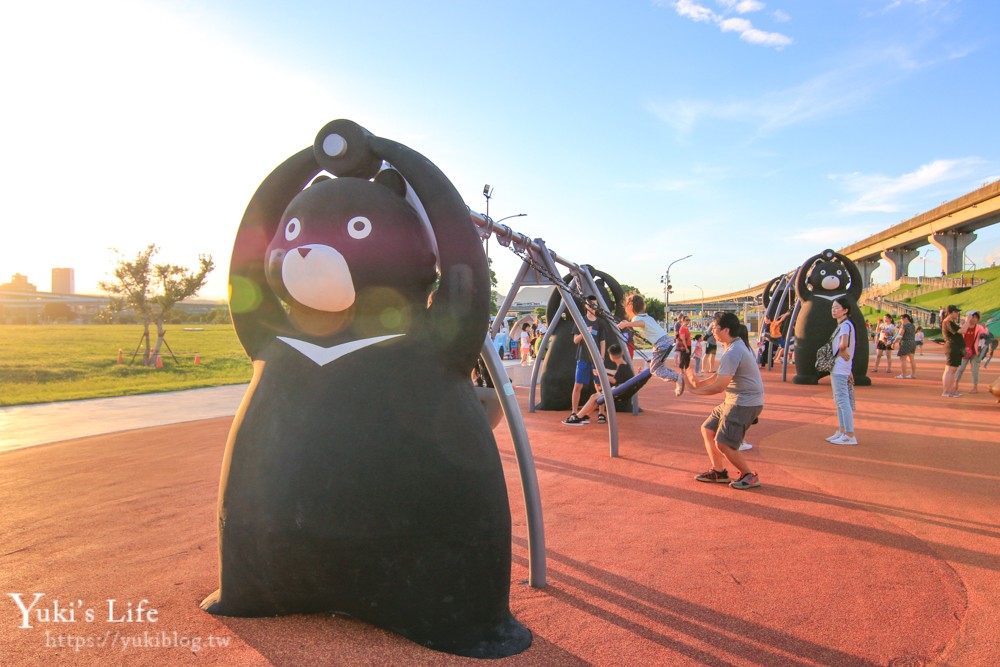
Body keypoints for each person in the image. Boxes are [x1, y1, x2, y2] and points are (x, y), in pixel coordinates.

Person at [685, 312, 765, 490]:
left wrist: (694, 391)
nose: (712, 331)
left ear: (726, 330)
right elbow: (719, 375)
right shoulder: (732, 347)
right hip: (735, 399)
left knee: (723, 443)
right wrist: (699, 383)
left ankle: (749, 475)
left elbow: (719, 386)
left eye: (715, 328)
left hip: (744, 402)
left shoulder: (734, 351)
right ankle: (719, 471)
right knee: (708, 429)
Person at [617, 292, 684, 395]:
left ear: (629, 308)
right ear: (644, 306)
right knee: (659, 367)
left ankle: (677, 378)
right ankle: (677, 376)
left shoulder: (637, 319)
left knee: (654, 370)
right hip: (666, 340)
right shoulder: (648, 317)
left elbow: (641, 324)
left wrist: (627, 324)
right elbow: (646, 330)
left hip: (661, 343)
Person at [563, 343, 635, 425]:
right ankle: (584, 415)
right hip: (622, 390)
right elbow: (617, 373)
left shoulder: (622, 367)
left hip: (618, 392)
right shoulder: (625, 365)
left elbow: (614, 380)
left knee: (594, 397)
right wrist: (603, 370)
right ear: (622, 353)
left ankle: (578, 417)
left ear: (611, 357)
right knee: (597, 399)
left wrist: (600, 373)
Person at [567, 295, 611, 422]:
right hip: (583, 358)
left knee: (599, 386)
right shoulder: (581, 321)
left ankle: (601, 413)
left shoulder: (600, 323)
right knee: (578, 385)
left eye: (595, 304)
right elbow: (575, 340)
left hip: (596, 360)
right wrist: (584, 332)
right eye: (591, 304)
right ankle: (574, 412)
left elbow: (602, 341)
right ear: (586, 306)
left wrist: (602, 357)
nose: (593, 307)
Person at [827, 297, 859, 445]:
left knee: (841, 400)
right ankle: (842, 430)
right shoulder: (843, 325)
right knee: (839, 399)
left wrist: (841, 350)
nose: (834, 310)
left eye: (837, 308)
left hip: (840, 367)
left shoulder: (845, 325)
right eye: (833, 307)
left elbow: (844, 343)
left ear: (845, 310)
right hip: (840, 367)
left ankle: (849, 434)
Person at [955, 310, 987, 394]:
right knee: (960, 369)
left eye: (975, 317)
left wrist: (985, 328)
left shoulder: (979, 328)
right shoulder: (963, 326)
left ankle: (975, 387)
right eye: (972, 317)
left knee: (974, 370)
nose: (973, 319)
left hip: (975, 352)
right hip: (964, 351)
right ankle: (955, 384)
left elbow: (985, 337)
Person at [941, 305, 967, 397]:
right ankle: (946, 391)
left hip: (955, 347)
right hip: (952, 347)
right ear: (951, 313)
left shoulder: (951, 322)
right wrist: (967, 321)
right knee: (949, 369)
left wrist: (963, 324)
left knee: (953, 370)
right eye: (956, 312)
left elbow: (959, 330)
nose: (957, 314)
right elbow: (962, 331)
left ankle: (951, 390)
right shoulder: (947, 322)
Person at [894, 313, 916, 379]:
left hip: (905, 342)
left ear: (906, 318)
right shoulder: (913, 326)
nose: (901, 320)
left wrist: (894, 342)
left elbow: (900, 335)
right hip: (912, 342)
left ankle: (903, 374)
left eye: (902, 319)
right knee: (912, 359)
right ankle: (913, 374)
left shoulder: (904, 326)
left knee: (903, 359)